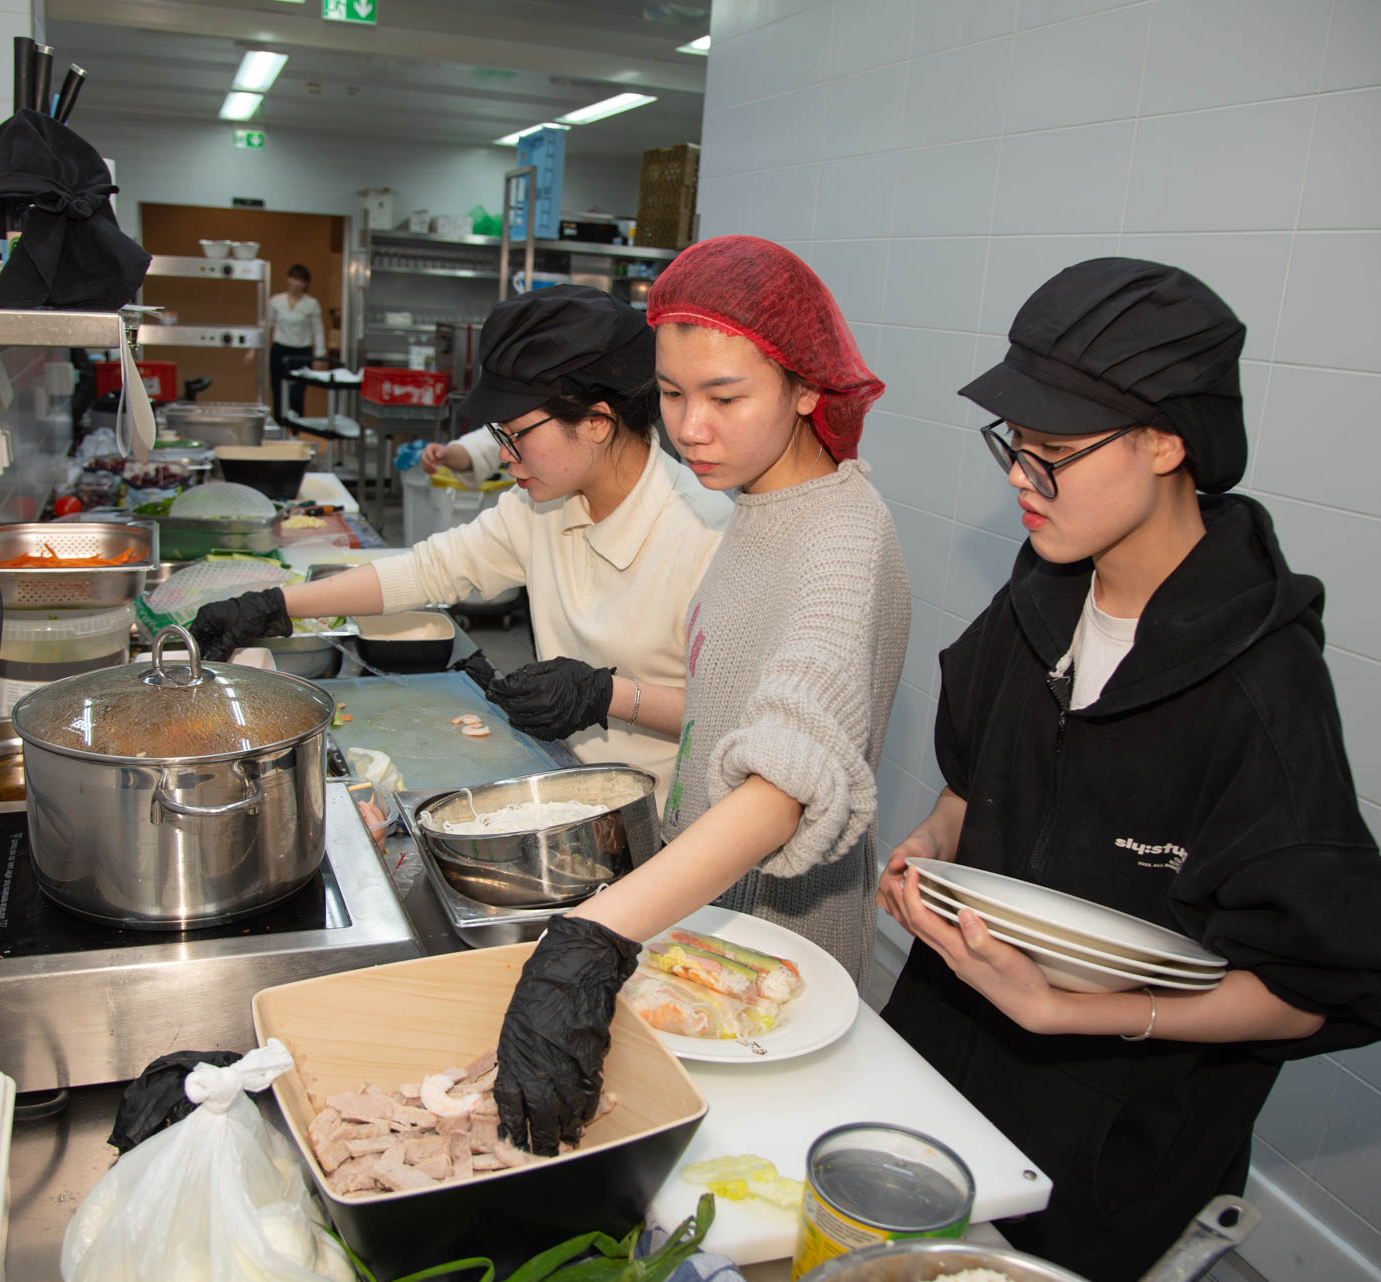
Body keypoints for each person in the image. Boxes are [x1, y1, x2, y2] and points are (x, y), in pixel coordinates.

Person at [873, 259, 1381, 1281]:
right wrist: (933, 841)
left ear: (1168, 439)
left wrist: (1079, 1009)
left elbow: (1320, 988)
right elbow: (976, 779)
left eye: (1053, 455)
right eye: (1014, 448)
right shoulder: (1040, 595)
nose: (1018, 481)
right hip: (938, 1062)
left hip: (1102, 1140)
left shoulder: (1263, 689)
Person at [491, 236, 911, 1157]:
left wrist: (592, 936)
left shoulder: (841, 538)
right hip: (705, 903)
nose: (690, 429)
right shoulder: (760, 506)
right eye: (673, 394)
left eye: (725, 397)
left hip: (778, 941)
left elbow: (785, 775)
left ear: (806, 389)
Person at [190, 284, 731, 804]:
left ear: (596, 421)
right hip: (561, 778)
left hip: (662, 824)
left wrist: (606, 695)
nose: (504, 455)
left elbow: (738, 716)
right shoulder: (542, 504)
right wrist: (276, 606)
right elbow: (428, 570)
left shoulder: (707, 534)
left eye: (515, 434)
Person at [266, 262, 328, 420]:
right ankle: (280, 429)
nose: (296, 283)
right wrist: (253, 349)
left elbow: (318, 330)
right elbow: (266, 325)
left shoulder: (311, 304)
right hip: (279, 350)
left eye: (301, 280)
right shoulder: (276, 301)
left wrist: (319, 355)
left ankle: (295, 430)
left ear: (306, 283)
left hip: (302, 353)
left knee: (297, 394)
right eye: (293, 278)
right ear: (288, 279)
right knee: (278, 392)